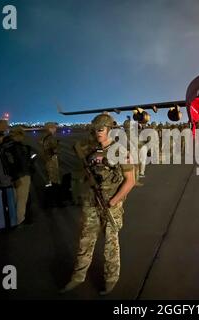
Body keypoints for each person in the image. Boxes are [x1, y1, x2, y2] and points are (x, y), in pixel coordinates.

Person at [61, 114, 135, 295]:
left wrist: (114, 201)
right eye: (95, 130)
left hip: (111, 204)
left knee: (111, 243)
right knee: (85, 241)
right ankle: (78, 277)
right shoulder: (91, 150)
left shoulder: (120, 151)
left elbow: (130, 181)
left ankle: (111, 279)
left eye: (101, 130)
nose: (97, 133)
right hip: (91, 202)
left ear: (109, 129)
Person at [1, 126, 35, 225]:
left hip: (10, 178)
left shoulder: (5, 146)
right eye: (22, 135)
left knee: (14, 200)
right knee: (22, 200)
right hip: (21, 176)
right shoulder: (17, 147)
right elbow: (18, 164)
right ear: (18, 135)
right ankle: (19, 221)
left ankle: (13, 220)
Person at [40, 122, 60, 187]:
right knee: (54, 174)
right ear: (50, 129)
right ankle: (54, 187)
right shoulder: (51, 137)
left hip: (47, 157)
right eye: (54, 128)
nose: (55, 129)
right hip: (51, 157)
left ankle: (51, 185)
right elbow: (54, 149)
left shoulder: (45, 137)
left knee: (50, 173)